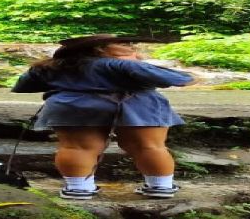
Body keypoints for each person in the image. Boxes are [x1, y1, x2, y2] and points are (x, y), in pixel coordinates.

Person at [11, 34, 195, 201]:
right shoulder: (122, 65)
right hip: (137, 105)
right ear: (100, 49)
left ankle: (78, 189)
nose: (131, 46)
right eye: (124, 44)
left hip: (72, 106)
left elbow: (23, 86)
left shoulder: (51, 66)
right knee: (148, 146)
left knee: (77, 147)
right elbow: (179, 79)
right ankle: (160, 186)